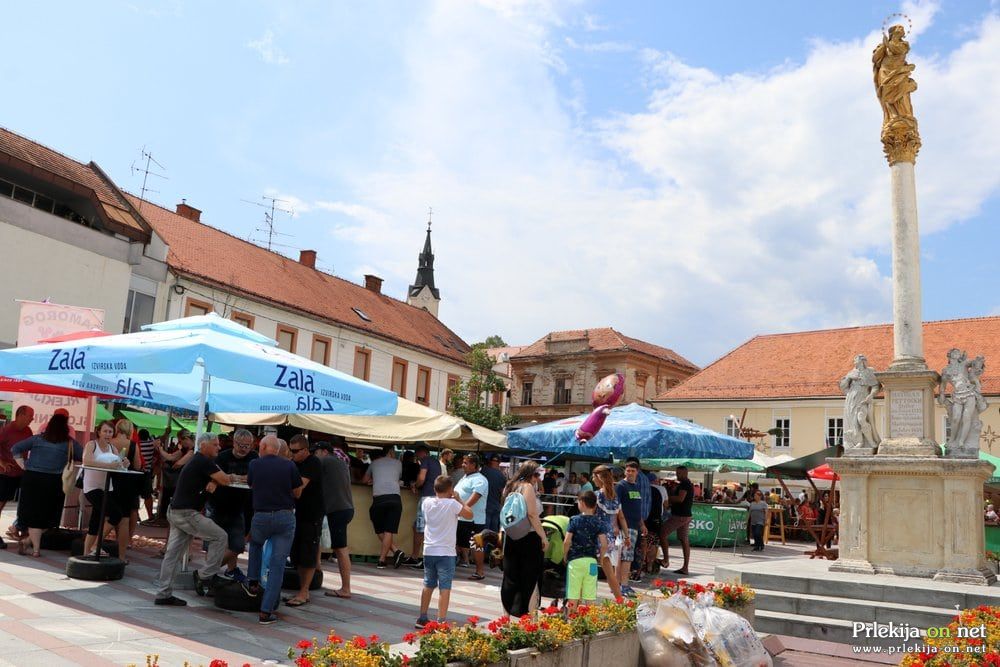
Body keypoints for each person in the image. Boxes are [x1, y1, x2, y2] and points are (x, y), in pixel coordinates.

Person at [153, 434, 234, 606]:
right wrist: (217, 482)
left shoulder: (199, 460)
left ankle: (163, 593)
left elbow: (221, 477)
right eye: (215, 445)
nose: (219, 448)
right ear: (203, 445)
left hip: (176, 510)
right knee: (220, 536)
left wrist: (215, 481)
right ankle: (205, 575)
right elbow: (225, 479)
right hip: (186, 513)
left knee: (172, 554)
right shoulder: (203, 461)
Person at [246, 436, 303, 625]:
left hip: (261, 515)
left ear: (263, 447)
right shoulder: (289, 466)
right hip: (284, 517)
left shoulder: (254, 464)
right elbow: (297, 493)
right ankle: (266, 611)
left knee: (255, 544)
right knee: (277, 565)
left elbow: (251, 484)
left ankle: (253, 580)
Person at [10, 413, 82, 557]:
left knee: (32, 515)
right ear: (65, 427)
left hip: (32, 479)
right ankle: (32, 546)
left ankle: (31, 545)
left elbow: (15, 448)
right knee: (50, 516)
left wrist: (22, 464)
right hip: (54, 482)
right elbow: (82, 456)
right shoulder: (69, 443)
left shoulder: (37, 439)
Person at [415, 475, 473, 628]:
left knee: (428, 584)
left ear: (435, 488)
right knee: (445, 586)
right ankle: (441, 621)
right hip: (446, 552)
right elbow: (469, 514)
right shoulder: (452, 504)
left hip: (429, 549)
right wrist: (459, 499)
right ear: (450, 490)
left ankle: (422, 617)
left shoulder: (426, 503)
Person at [206, 428, 257, 583]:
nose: (243, 449)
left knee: (238, 545)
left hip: (239, 507)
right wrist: (236, 478)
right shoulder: (222, 457)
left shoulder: (254, 458)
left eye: (247, 446)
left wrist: (232, 478)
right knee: (214, 545)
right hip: (218, 505)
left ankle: (207, 572)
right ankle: (224, 571)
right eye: (241, 445)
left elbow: (252, 477)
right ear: (234, 443)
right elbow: (220, 477)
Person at [500, 461, 548, 617]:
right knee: (530, 577)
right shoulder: (527, 487)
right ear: (530, 474)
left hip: (511, 535)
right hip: (528, 536)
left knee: (510, 576)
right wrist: (543, 537)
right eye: (536, 475)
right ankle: (530, 617)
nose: (537, 478)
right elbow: (532, 514)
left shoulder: (510, 486)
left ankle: (505, 616)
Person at [81, 420, 131, 559]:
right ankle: (95, 545)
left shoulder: (113, 448)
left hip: (106, 488)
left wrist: (125, 463)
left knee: (95, 522)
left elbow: (119, 464)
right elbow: (87, 461)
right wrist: (109, 466)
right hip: (92, 488)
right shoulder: (92, 445)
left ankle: (86, 555)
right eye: (105, 431)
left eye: (110, 432)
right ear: (99, 432)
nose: (108, 434)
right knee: (116, 514)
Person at [286, 434, 324, 607]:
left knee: (307, 553)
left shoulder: (313, 463)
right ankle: (302, 590)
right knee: (297, 553)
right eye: (290, 450)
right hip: (297, 513)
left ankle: (304, 591)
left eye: (295, 451)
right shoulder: (294, 463)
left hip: (312, 513)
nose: (292, 454)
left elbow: (298, 488)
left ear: (305, 450)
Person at [316, 441, 354, 599]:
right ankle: (316, 574)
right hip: (345, 508)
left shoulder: (325, 461)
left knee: (340, 548)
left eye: (315, 451)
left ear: (324, 451)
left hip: (337, 510)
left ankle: (346, 588)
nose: (314, 455)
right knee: (317, 539)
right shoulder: (340, 462)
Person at [563, 490, 608, 608]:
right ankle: (588, 620)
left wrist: (565, 555)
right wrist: (601, 558)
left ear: (582, 502)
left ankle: (572, 620)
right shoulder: (598, 522)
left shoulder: (574, 520)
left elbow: (567, 541)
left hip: (575, 560)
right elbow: (604, 544)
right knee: (590, 594)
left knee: (573, 592)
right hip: (591, 562)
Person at [364, 446, 404, 568]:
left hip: (379, 499)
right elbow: (398, 478)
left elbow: (364, 480)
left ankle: (383, 559)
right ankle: (395, 551)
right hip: (395, 499)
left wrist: (373, 480)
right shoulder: (398, 463)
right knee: (389, 530)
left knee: (380, 530)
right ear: (389, 453)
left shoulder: (373, 463)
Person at [0, 405, 33, 549]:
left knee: (27, 502)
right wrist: (1, 462)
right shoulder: (6, 430)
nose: (32, 418)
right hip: (5, 474)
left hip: (21, 473)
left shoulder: (28, 431)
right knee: (0, 504)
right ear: (20, 415)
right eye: (30, 416)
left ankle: (21, 529)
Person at [592, 465, 626, 600]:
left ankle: (585, 599)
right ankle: (619, 600)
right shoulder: (614, 496)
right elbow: (621, 517)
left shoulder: (598, 495)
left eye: (594, 477)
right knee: (609, 573)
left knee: (589, 567)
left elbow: (591, 514)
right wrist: (626, 535)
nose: (593, 480)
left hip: (597, 535)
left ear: (598, 477)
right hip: (610, 536)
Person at [454, 454, 489, 580]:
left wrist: (461, 509)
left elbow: (474, 498)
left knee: (476, 546)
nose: (463, 465)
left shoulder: (480, 479)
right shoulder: (465, 477)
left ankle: (480, 572)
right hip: (461, 518)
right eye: (463, 462)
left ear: (474, 465)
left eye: (465, 462)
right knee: (456, 542)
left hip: (474, 519)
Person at [110, 419, 142, 553]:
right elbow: (138, 465)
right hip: (128, 483)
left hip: (110, 480)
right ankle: (125, 542)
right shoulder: (133, 445)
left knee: (110, 512)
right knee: (126, 515)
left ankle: (103, 541)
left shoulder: (109, 442)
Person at [408, 444, 442, 568]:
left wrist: (415, 486)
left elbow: (421, 478)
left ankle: (422, 558)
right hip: (436, 497)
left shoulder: (425, 461)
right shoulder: (437, 462)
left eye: (417, 455)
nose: (417, 458)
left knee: (420, 529)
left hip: (427, 497)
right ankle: (415, 556)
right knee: (419, 527)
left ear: (421, 453)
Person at [615, 461, 646, 593]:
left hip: (635, 526)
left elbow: (637, 508)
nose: (630, 473)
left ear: (637, 472)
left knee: (627, 556)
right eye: (628, 471)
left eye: (633, 471)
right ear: (624, 472)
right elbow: (616, 508)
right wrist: (616, 525)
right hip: (624, 527)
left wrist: (642, 524)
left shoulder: (637, 487)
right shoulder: (621, 486)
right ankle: (622, 585)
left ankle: (620, 585)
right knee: (624, 557)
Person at [662, 465, 694, 575]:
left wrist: (666, 497)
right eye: (677, 473)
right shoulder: (687, 483)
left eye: (679, 473)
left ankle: (666, 560)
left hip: (680, 515)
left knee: (662, 534)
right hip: (686, 515)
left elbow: (680, 499)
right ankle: (685, 567)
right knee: (684, 540)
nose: (677, 475)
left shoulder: (685, 484)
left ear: (685, 473)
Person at [481, 453, 506, 533]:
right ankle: (492, 545)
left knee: (484, 531)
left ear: (490, 461)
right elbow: (503, 492)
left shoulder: (483, 471)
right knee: (494, 530)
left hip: (485, 505)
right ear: (499, 463)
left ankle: (484, 545)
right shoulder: (502, 475)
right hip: (496, 506)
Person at [137, 429, 157, 522]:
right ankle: (150, 515)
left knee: (135, 495)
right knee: (147, 496)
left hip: (136, 472)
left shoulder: (136, 445)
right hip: (146, 473)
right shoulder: (151, 445)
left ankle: (136, 515)